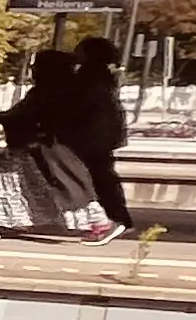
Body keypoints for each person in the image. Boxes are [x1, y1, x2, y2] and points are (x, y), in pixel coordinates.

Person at [27, 33, 132, 239]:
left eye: (80, 50)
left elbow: (78, 104)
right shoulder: (101, 75)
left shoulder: (89, 75)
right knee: (101, 173)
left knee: (90, 175)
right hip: (102, 131)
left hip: (91, 132)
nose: (76, 54)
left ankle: (111, 217)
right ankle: (115, 216)